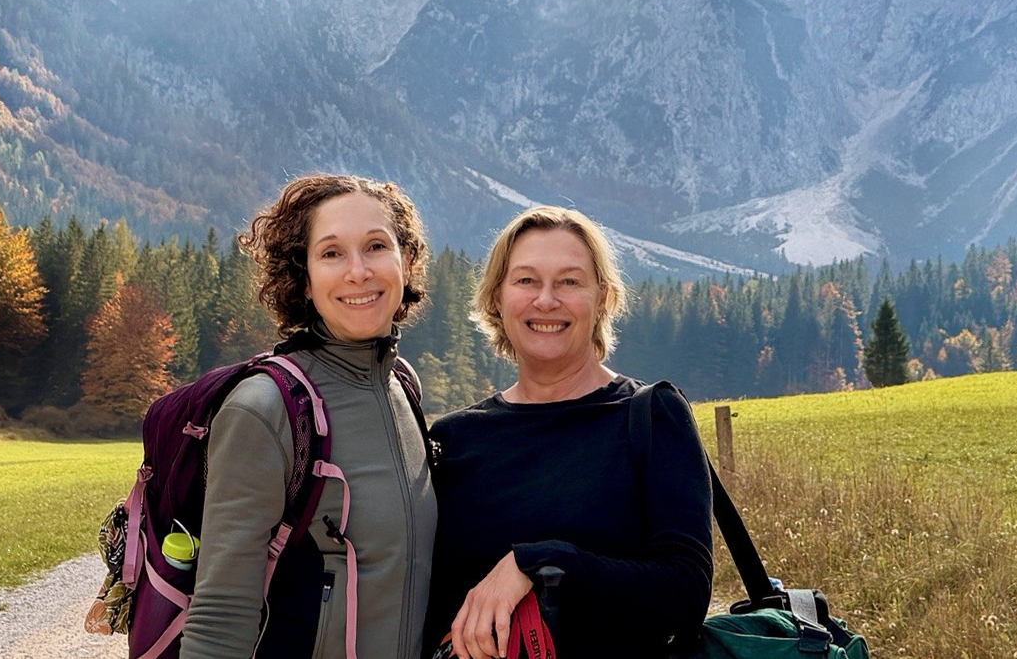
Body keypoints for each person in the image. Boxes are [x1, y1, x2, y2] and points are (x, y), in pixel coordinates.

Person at [426, 206, 714, 659]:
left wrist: (543, 561)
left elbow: (685, 595)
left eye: (569, 281)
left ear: (602, 298)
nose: (546, 300)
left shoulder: (650, 416)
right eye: (525, 280)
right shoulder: (453, 439)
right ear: (497, 299)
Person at [180, 174, 437, 659]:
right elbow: (219, 618)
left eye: (377, 246)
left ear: (405, 260)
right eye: (332, 253)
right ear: (303, 278)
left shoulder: (404, 389)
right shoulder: (265, 410)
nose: (358, 271)